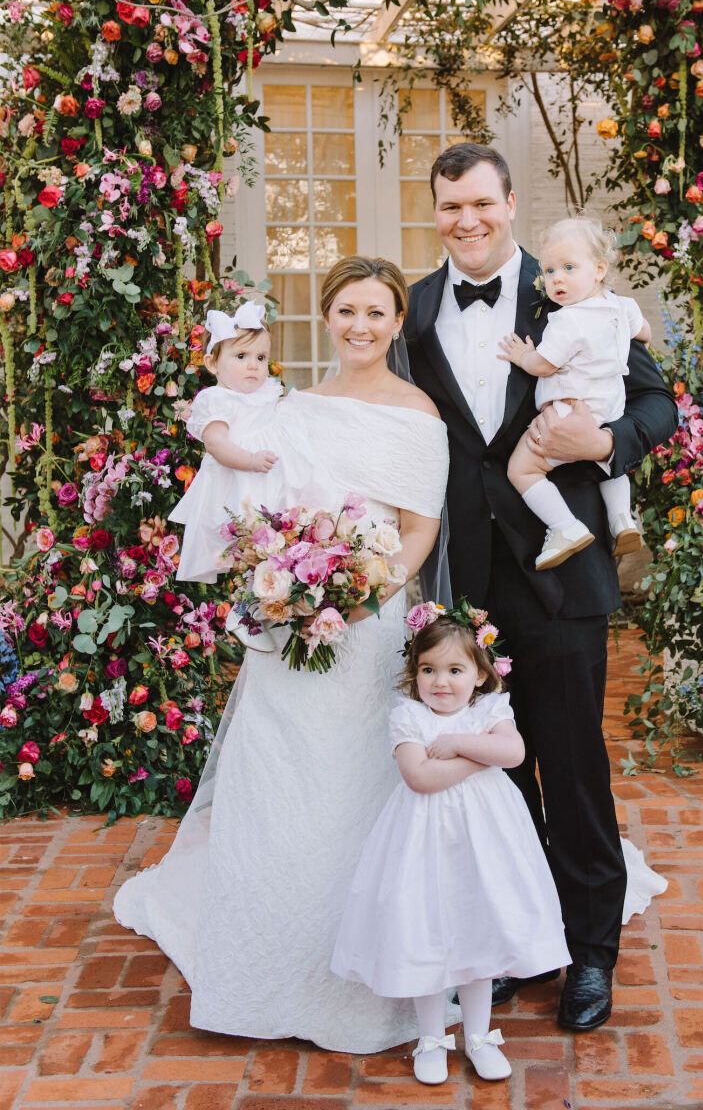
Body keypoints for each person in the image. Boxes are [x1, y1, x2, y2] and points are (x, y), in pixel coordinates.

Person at [114, 257, 451, 1053]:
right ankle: (259, 968)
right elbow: (256, 504)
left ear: (397, 323)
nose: (361, 327)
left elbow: (418, 529)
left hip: (368, 622)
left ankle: (354, 969)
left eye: (376, 313)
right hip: (288, 615)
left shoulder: (418, 414)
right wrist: (283, 579)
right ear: (326, 318)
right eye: (346, 311)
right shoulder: (292, 409)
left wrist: (367, 593)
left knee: (352, 781)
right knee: (274, 776)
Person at [405, 142, 677, 1031]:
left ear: (509, 202)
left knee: (570, 763)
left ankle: (592, 950)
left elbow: (654, 405)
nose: (466, 221)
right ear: (435, 210)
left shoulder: (568, 288)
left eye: (481, 203)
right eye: (450, 207)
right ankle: (526, 935)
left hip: (562, 573)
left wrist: (602, 449)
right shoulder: (413, 310)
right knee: (497, 774)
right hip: (464, 584)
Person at [331, 606, 571, 1085]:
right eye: (428, 670)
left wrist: (461, 745)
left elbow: (516, 752)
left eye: (455, 670)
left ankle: (479, 1036)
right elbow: (420, 777)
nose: (441, 682)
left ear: (480, 675)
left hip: (485, 844)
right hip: (422, 841)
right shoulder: (409, 716)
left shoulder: (489, 710)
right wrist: (479, 756)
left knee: (477, 928)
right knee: (425, 929)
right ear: (414, 673)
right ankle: (432, 1036)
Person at [498, 216, 651, 570]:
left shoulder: (567, 320)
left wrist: (523, 356)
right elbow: (642, 332)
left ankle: (564, 527)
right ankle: (621, 520)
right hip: (608, 409)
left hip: (568, 412)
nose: (557, 279)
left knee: (522, 469)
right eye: (549, 270)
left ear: (599, 269)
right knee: (608, 464)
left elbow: (545, 364)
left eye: (568, 267)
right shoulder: (622, 307)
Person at [169, 300, 284, 584]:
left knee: (275, 547)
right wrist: (250, 460)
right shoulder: (217, 399)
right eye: (242, 356)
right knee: (243, 552)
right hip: (239, 480)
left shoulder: (266, 392)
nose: (254, 366)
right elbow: (216, 444)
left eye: (260, 358)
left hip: (272, 477)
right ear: (212, 363)